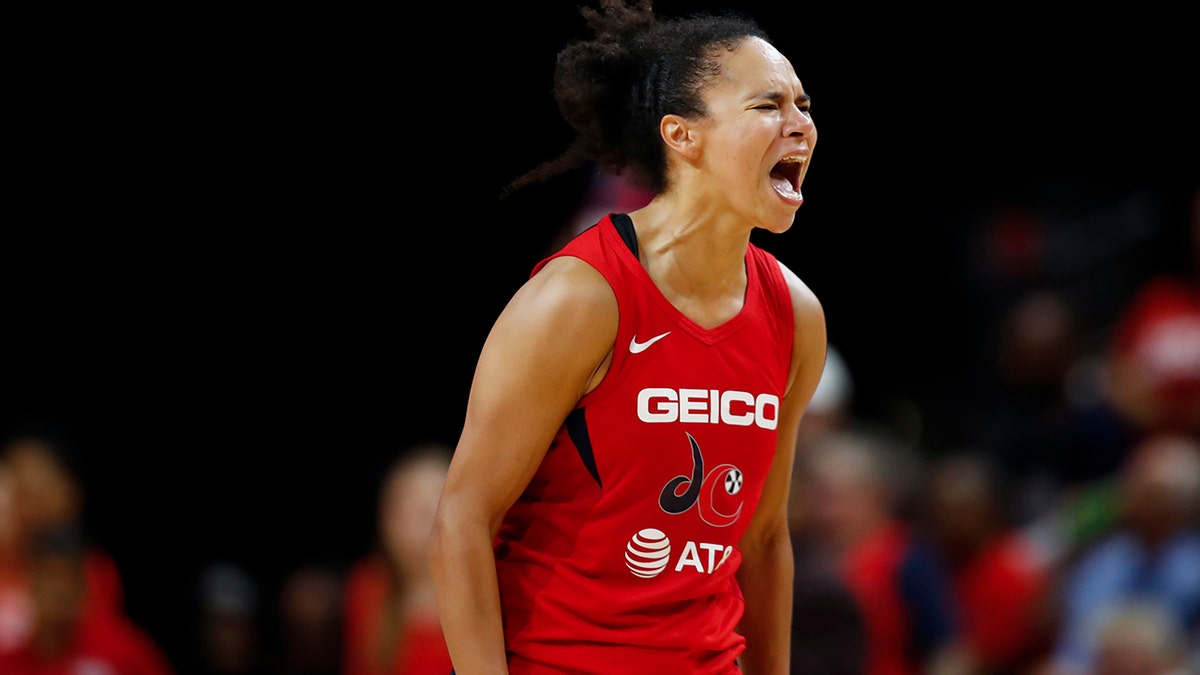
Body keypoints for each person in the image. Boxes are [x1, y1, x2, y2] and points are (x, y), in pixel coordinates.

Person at [427, 1, 827, 672]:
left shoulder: (795, 313)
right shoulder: (580, 298)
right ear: (682, 135)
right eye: (768, 105)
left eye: (805, 106)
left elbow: (762, 537)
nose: (801, 126)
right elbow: (462, 519)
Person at [342, 444, 452, 675]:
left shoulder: (487, 588)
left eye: (436, 497)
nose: (424, 513)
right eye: (410, 502)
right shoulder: (368, 587)